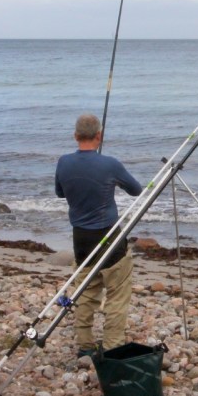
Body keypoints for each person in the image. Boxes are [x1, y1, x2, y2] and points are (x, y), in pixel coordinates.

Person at [54, 113, 143, 357]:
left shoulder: (63, 162)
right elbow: (136, 190)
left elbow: (60, 192)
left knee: (85, 291)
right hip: (110, 239)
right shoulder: (110, 164)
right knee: (116, 293)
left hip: (80, 239)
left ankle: (85, 346)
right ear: (99, 136)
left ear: (75, 136)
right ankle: (113, 346)